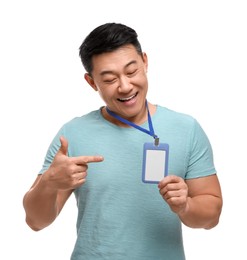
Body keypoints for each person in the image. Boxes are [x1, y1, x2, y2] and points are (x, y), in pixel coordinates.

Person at [23, 22, 223, 259]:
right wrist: (49, 182)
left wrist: (186, 206)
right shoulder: (72, 134)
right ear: (91, 82)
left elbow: (212, 216)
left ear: (145, 62)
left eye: (131, 71)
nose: (125, 86)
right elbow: (35, 222)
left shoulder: (186, 128)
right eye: (109, 79)